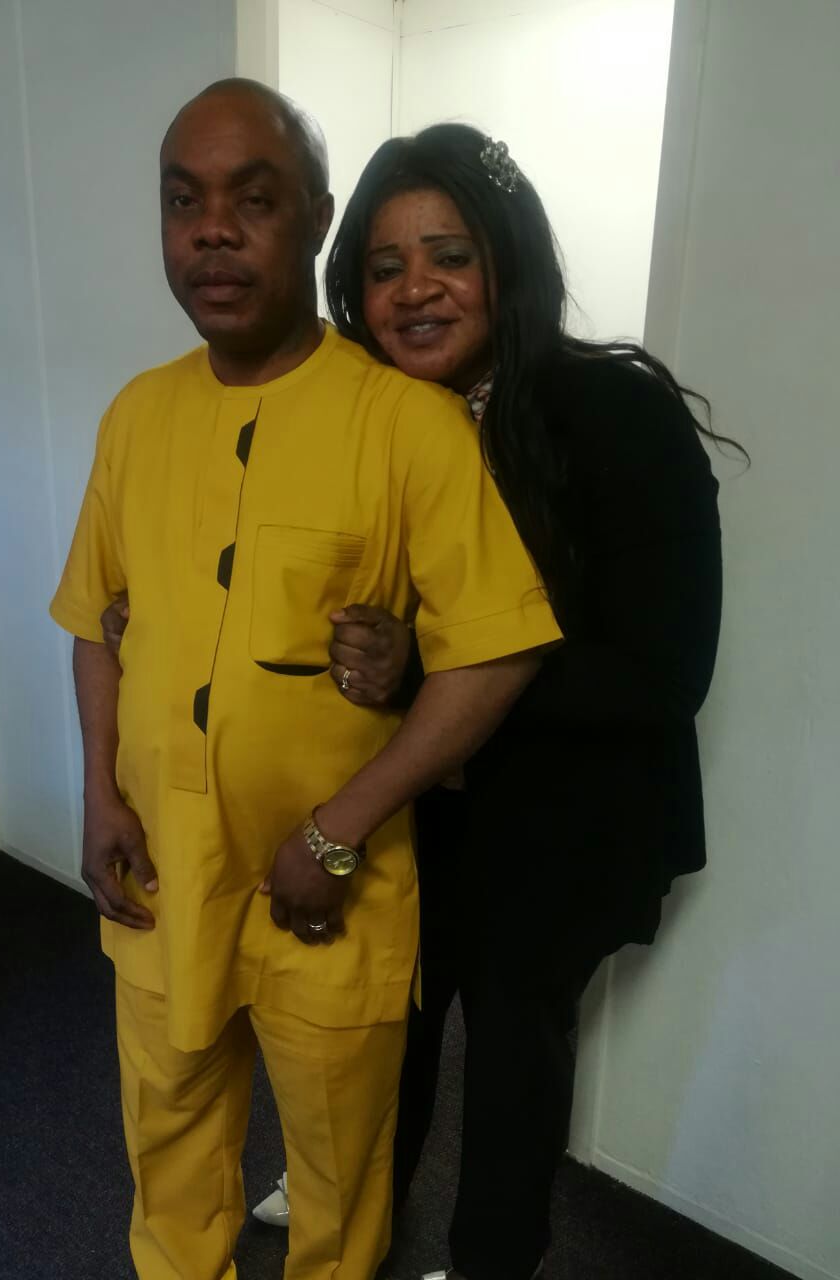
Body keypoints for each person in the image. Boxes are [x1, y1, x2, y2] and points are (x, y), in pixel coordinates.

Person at [111, 124, 728, 1279]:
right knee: (381, 1033)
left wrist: (439, 664)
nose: (415, 290)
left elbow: (663, 672)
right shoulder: (362, 409)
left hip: (564, 819)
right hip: (411, 807)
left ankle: (492, 1259)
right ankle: (360, 1210)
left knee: (512, 1051)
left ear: (507, 262)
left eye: (450, 256)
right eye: (386, 265)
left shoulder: (613, 413)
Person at [50, 83, 560, 1280]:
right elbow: (94, 625)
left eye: (254, 200)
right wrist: (99, 792)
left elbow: (498, 649)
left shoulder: (406, 425)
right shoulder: (136, 416)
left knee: (338, 1181)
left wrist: (338, 831)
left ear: (318, 218)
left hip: (327, 894)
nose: (213, 233)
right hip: (165, 871)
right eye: (185, 202)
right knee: (169, 1145)